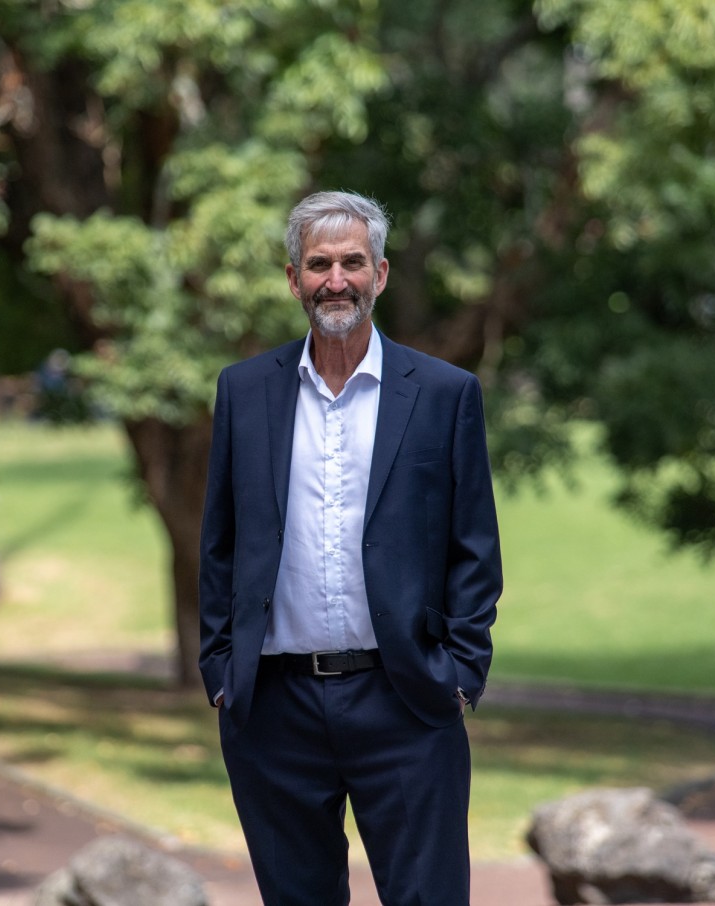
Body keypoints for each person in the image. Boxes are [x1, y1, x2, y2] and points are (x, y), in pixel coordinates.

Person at [198, 190, 502, 905]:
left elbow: (474, 547)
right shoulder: (244, 392)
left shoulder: (444, 394)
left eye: (353, 263)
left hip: (406, 701)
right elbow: (220, 544)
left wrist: (459, 674)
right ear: (293, 279)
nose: (336, 280)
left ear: (381, 274)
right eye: (319, 265)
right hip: (274, 710)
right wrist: (221, 670)